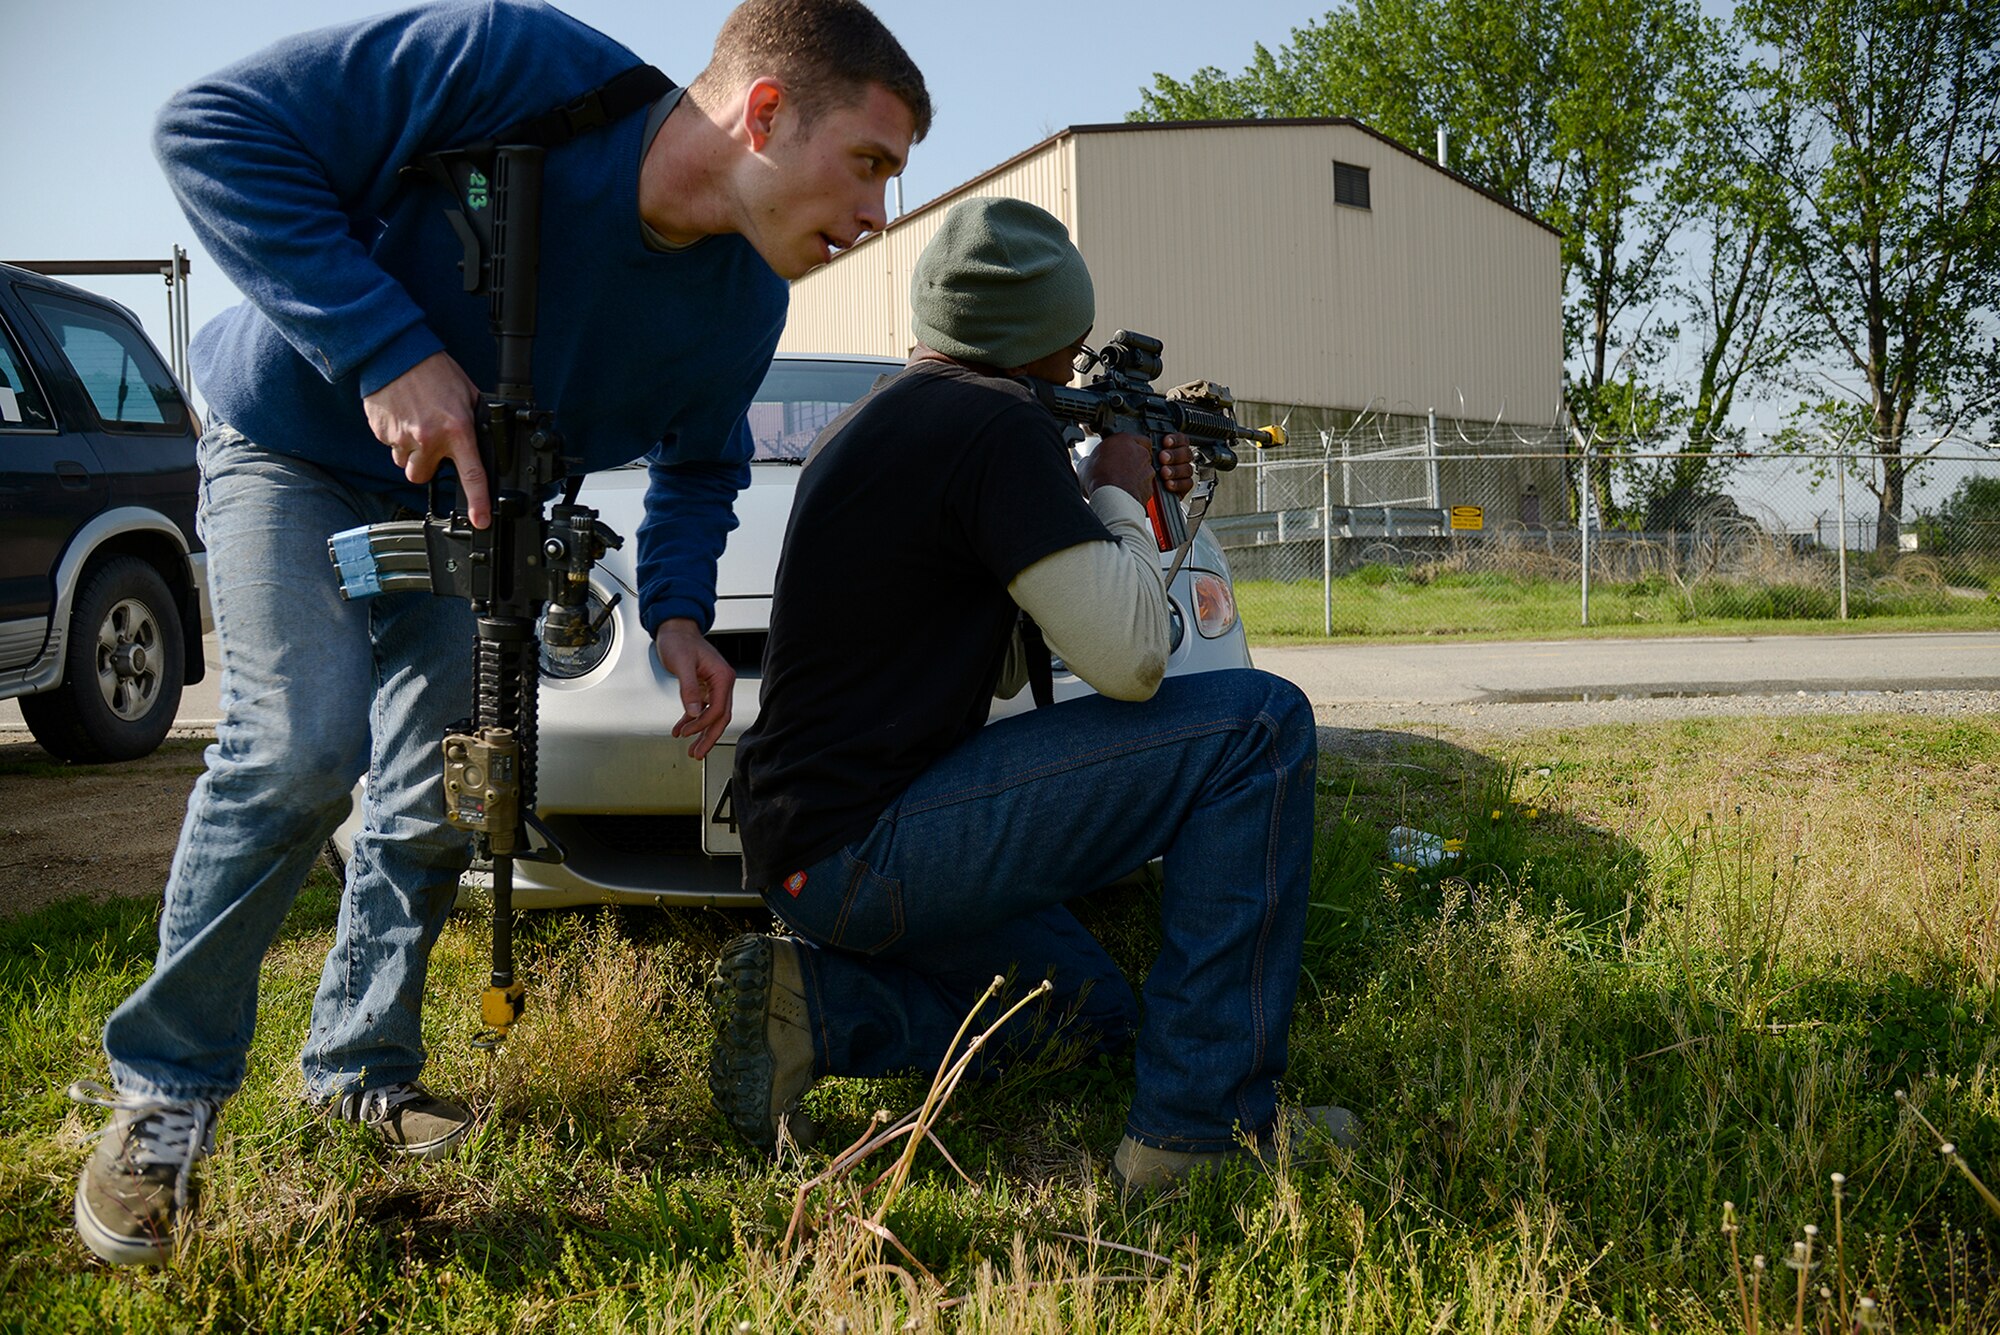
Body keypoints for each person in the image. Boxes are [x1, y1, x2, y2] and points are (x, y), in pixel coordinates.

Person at [70, 0, 930, 1267]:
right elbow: (209, 131)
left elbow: (700, 471)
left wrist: (682, 617)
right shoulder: (507, 62)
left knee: (434, 793)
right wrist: (386, 348)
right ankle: (165, 1092)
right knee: (303, 746)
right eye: (868, 164)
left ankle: (361, 1070)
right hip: (293, 444)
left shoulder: (741, 304)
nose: (877, 216)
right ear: (761, 115)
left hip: (469, 500)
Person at [707, 196, 1349, 1195]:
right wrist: (1113, 485)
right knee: (1258, 729)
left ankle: (813, 1010)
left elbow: (1002, 658)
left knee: (1087, 1016)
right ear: (1044, 340)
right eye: (1073, 345)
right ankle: (1195, 1132)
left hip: (812, 849)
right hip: (873, 843)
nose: (1075, 365)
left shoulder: (885, 419)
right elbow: (1132, 661)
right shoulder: (990, 429)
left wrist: (1122, 500)